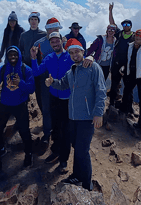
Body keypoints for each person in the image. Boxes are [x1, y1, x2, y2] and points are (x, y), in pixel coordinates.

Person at [45, 38, 106, 191]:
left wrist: (98, 113)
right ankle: (77, 176)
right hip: (72, 117)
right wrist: (52, 82)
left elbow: (101, 91)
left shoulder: (93, 67)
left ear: (83, 52)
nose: (74, 55)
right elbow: (63, 84)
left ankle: (87, 185)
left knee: (82, 151)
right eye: (71, 52)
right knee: (76, 148)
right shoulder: (71, 70)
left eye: (77, 52)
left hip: (86, 118)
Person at [30, 32, 73, 173]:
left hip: (68, 99)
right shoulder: (49, 58)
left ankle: (64, 159)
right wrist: (33, 58)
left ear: (62, 41)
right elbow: (36, 72)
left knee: (66, 131)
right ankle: (55, 151)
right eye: (52, 42)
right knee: (55, 128)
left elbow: (83, 65)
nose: (55, 44)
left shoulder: (71, 56)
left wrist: (90, 57)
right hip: (54, 97)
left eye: (57, 41)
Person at [0, 46, 35, 168]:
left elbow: (31, 89)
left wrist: (20, 83)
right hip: (4, 104)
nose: (13, 57)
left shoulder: (26, 69)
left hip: (20, 105)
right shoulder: (3, 69)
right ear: (7, 57)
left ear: (19, 55)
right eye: (10, 55)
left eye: (15, 55)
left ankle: (28, 154)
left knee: (24, 131)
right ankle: (1, 148)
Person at [19, 13, 50, 144]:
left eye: (35, 20)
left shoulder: (43, 35)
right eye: (31, 19)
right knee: (24, 96)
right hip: (26, 69)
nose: (33, 22)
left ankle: (46, 122)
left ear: (38, 21)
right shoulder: (23, 35)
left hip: (39, 70)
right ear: (29, 21)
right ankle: (22, 124)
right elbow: (20, 51)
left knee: (40, 97)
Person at [121, 29, 141, 119]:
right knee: (126, 92)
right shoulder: (130, 47)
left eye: (140, 36)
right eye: (137, 36)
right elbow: (127, 60)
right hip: (131, 74)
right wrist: (124, 69)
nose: (138, 37)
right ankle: (124, 111)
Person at [108, 3, 135, 107]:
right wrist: (110, 11)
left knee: (128, 86)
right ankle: (111, 103)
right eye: (124, 25)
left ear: (131, 26)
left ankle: (127, 106)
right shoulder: (119, 33)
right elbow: (112, 23)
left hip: (128, 65)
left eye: (128, 25)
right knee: (114, 84)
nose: (126, 26)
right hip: (116, 63)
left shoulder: (134, 36)